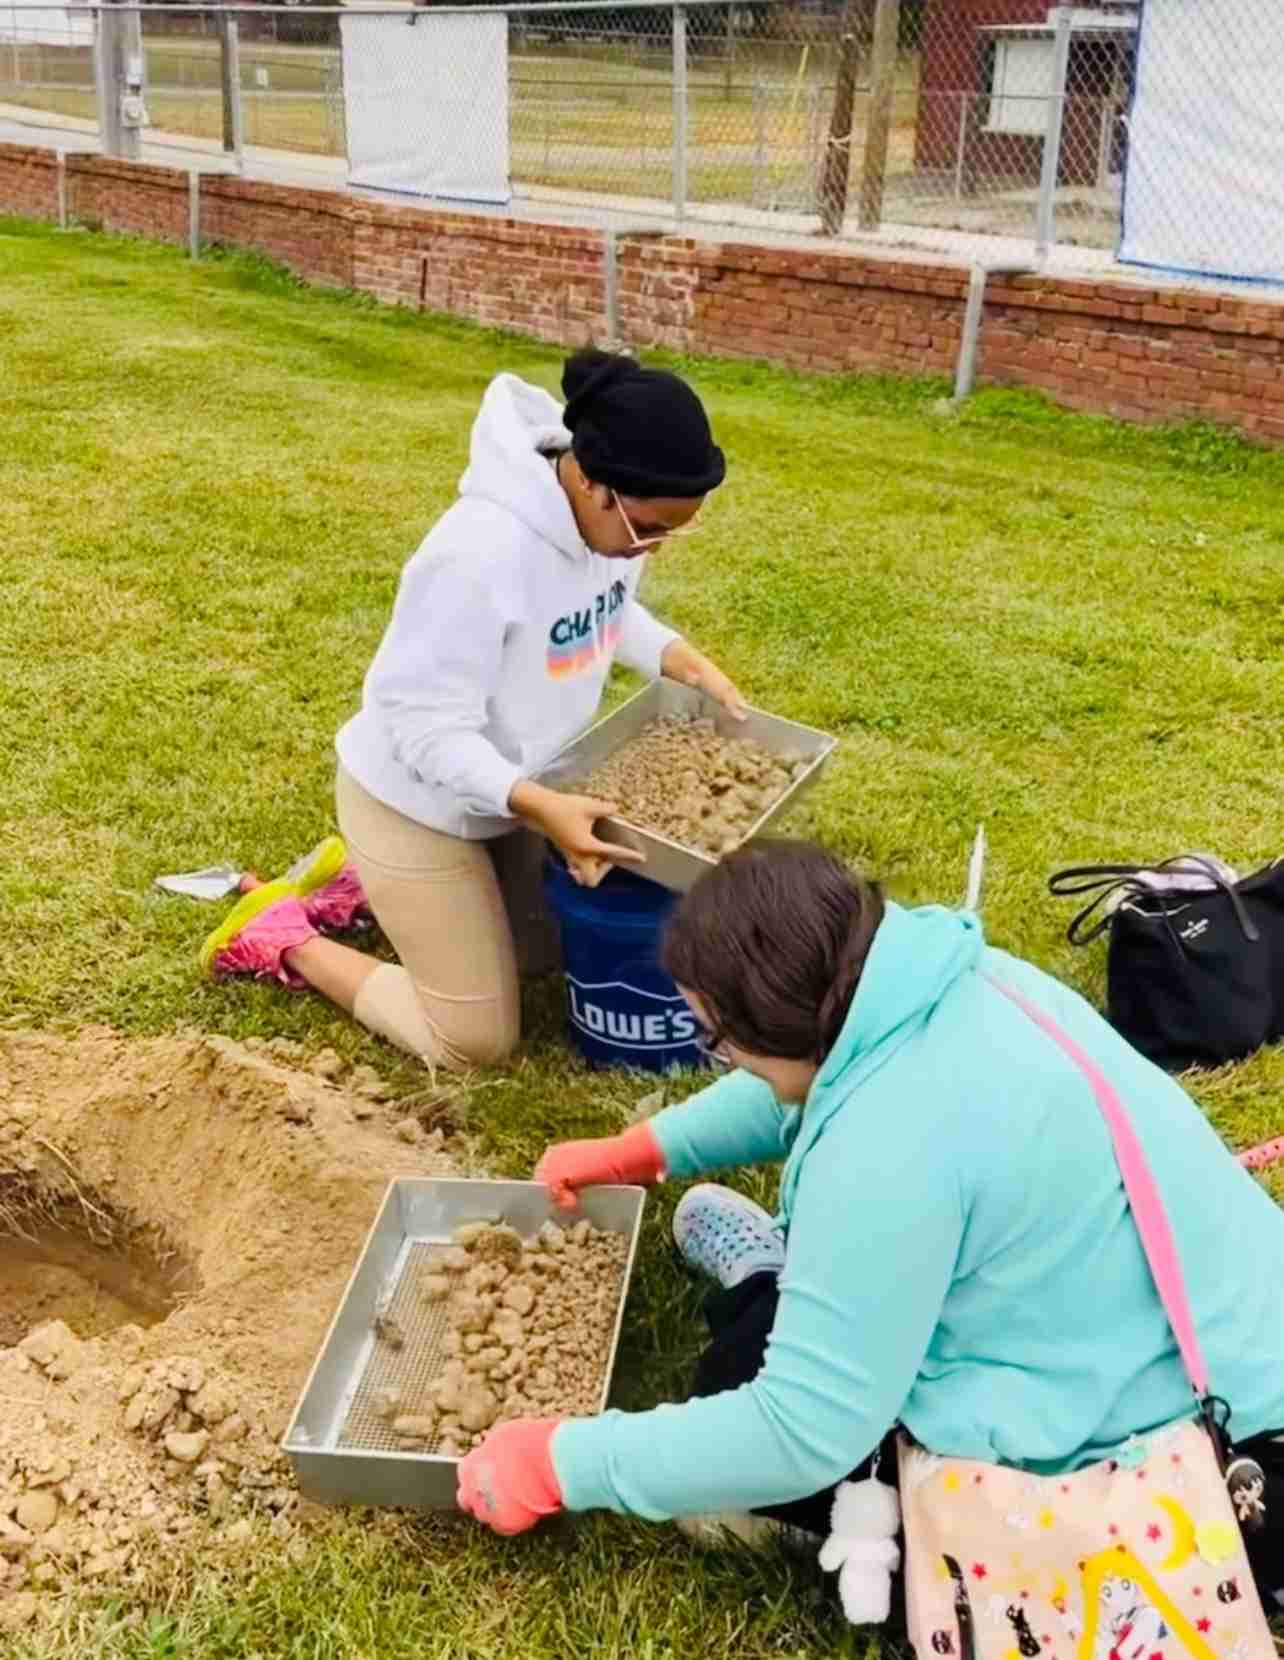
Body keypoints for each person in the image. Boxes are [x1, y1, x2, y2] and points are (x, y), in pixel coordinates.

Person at [456, 839, 1284, 1610]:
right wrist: (643, 1148)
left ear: (778, 1023)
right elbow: (796, 1077)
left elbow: (800, 1431)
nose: (726, 1059)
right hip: (1200, 1328)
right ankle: (786, 1282)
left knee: (737, 1396)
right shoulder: (941, 978)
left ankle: (766, 1286)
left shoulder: (887, 1152)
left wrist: (558, 1461)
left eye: (718, 1041)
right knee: (807, 1337)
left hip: (1201, 1453)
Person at [199, 349, 743, 1071]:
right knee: (475, 1040)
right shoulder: (476, 553)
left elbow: (601, 607)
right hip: (415, 802)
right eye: (651, 528)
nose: (655, 547)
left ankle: (376, 891)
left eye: (676, 529)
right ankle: (282, 929)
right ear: (588, 479)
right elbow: (422, 725)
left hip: (510, 797)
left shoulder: (614, 523)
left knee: (547, 957)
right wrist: (536, 804)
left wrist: (676, 655)